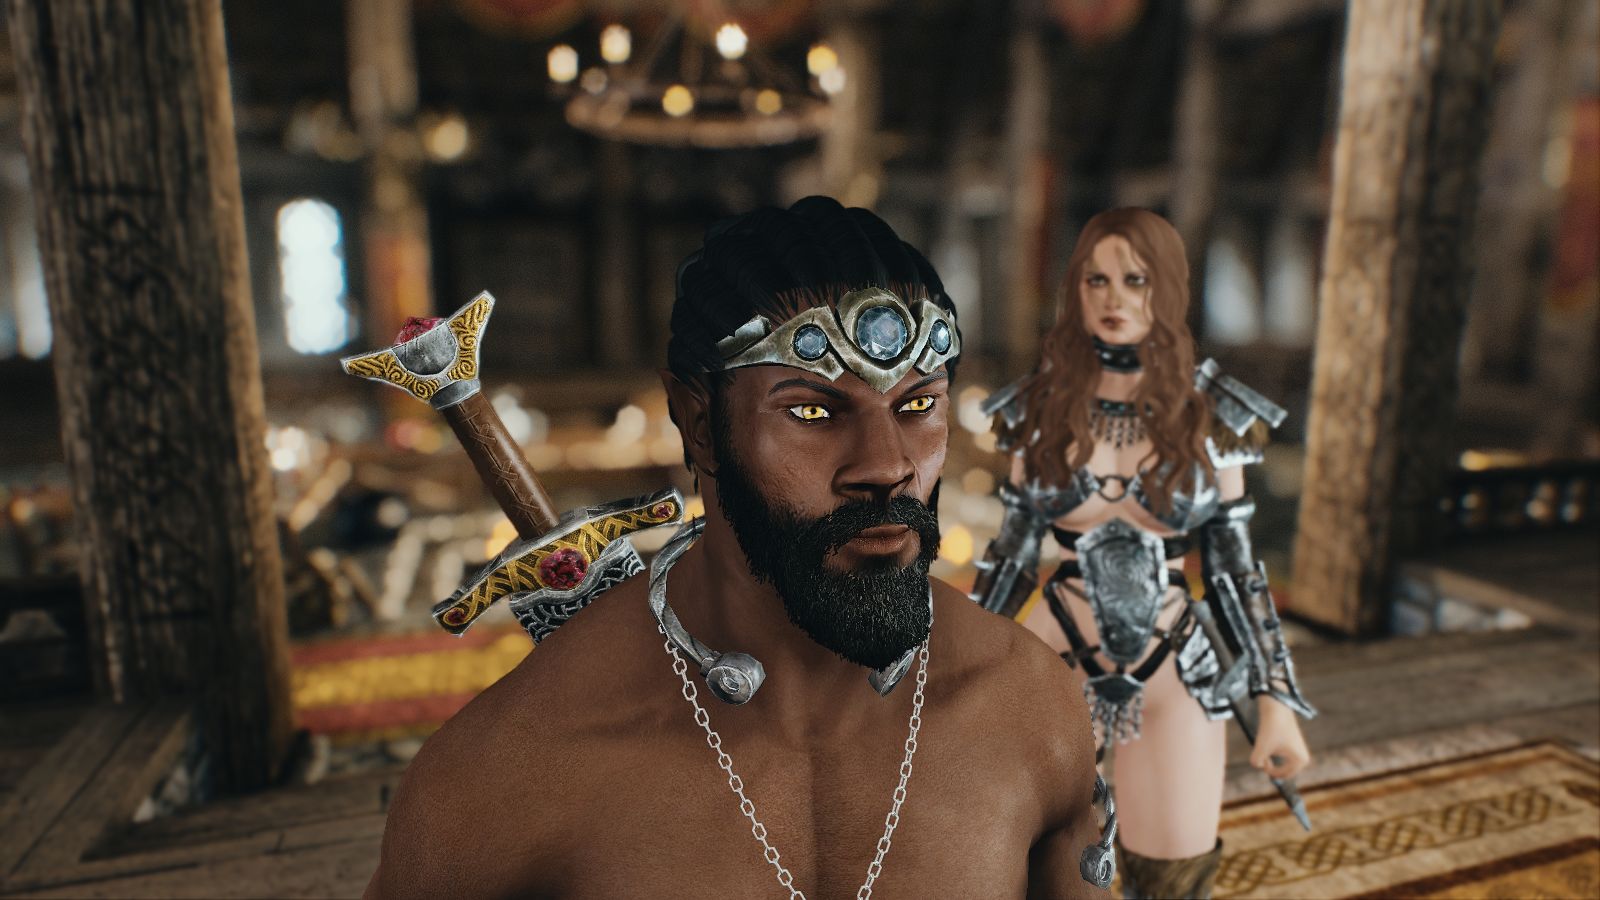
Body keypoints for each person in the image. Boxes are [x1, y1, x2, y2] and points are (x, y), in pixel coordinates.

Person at [366, 197, 1109, 899]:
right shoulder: (510, 772)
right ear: (698, 422)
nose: (888, 466)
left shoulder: (1028, 707)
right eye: (813, 412)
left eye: (917, 405)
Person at [972, 208, 1315, 899]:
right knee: (1046, 879)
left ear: (1168, 288)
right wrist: (957, 675)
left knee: (1173, 882)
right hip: (1051, 667)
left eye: (1135, 279)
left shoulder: (1212, 414)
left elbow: (1235, 572)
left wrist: (1276, 700)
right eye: (1096, 280)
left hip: (1176, 674)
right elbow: (1009, 562)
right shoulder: (1036, 409)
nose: (1114, 298)